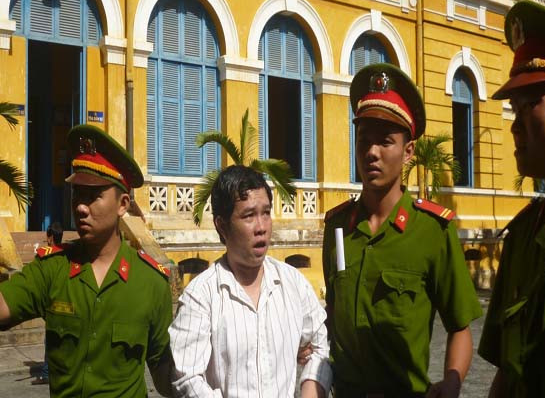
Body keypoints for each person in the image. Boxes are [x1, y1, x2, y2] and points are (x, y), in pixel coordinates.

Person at [322, 63, 482, 398]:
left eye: (385, 142)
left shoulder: (431, 231)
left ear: (408, 152)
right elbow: (331, 318)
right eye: (364, 141)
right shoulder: (337, 228)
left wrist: (452, 381)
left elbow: (459, 326)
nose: (372, 153)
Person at [0, 124, 173, 397]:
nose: (81, 207)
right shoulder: (52, 269)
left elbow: (166, 377)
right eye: (77, 194)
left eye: (93, 196)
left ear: (123, 204)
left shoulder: (151, 282)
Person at [478, 2, 545, 397]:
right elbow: (506, 375)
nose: (515, 125)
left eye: (530, 103)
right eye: (513, 108)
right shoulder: (524, 236)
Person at [170, 165, 332, 397]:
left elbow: (319, 348)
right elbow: (186, 377)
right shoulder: (200, 296)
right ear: (222, 225)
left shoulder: (293, 283)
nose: (261, 227)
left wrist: (310, 391)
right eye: (248, 216)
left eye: (266, 213)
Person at [31, 221, 63, 386]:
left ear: (50, 237)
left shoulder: (44, 253)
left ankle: (46, 373)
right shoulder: (67, 253)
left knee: (50, 339)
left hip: (51, 301)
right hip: (65, 299)